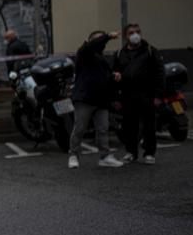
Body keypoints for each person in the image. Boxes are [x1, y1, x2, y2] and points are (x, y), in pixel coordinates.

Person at [67, 31, 125, 169]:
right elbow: (92, 46)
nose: (102, 43)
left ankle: (104, 156)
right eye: (99, 40)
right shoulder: (84, 52)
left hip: (101, 100)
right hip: (84, 98)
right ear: (90, 41)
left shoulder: (102, 59)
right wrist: (108, 36)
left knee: (103, 129)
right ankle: (73, 155)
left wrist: (113, 76)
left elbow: (104, 77)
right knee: (80, 128)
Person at [113, 23, 164, 165]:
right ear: (125, 36)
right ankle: (131, 152)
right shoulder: (119, 53)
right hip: (128, 96)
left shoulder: (150, 51)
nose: (135, 35)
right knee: (129, 126)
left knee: (149, 125)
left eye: (137, 32)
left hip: (147, 94)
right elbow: (115, 76)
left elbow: (159, 74)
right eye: (131, 32)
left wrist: (158, 95)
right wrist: (116, 98)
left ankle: (149, 153)